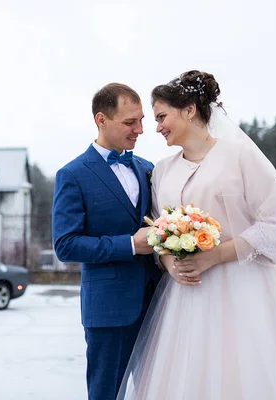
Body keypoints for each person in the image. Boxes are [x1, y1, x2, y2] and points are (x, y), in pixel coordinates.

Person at [117, 71, 276, 399]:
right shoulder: (162, 170)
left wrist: (215, 255)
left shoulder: (240, 155)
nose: (157, 127)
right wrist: (169, 264)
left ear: (190, 110)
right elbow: (157, 230)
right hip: (183, 298)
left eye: (162, 116)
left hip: (247, 291)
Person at [52, 83, 162, 400]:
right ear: (102, 119)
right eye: (130, 122)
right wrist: (129, 244)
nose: (140, 129)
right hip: (109, 309)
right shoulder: (72, 174)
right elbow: (66, 245)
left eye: (141, 120)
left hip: (160, 302)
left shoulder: (147, 168)